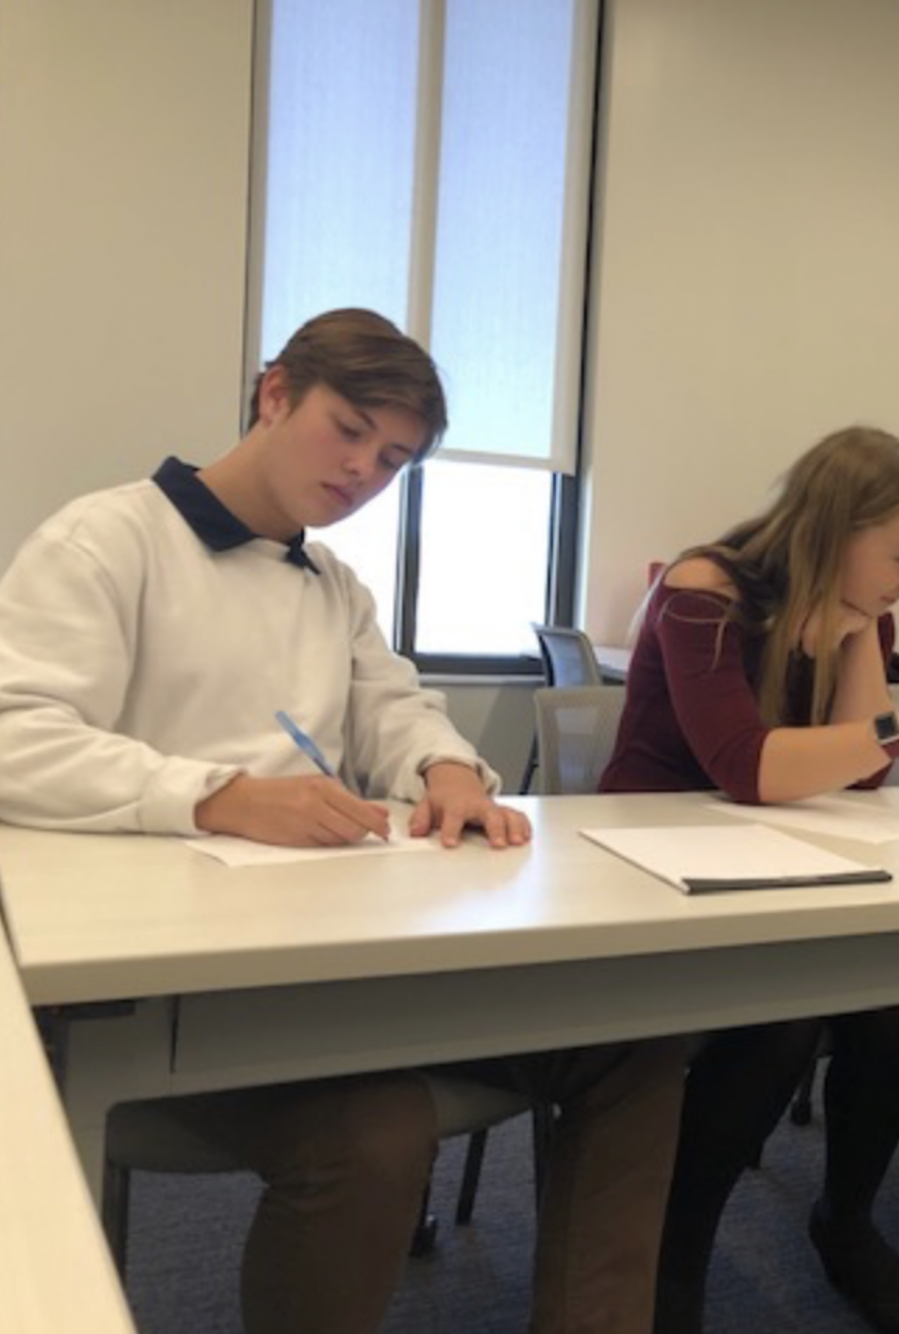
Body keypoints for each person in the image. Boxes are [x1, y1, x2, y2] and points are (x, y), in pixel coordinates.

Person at [0, 308, 687, 1334]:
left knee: (630, 1042)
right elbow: (15, 731)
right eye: (350, 427)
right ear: (274, 392)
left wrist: (447, 764)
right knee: (372, 1129)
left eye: (396, 457)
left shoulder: (333, 584)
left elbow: (393, 704)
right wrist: (215, 793)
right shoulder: (109, 538)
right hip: (169, 989)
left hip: (338, 954)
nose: (366, 469)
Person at [598, 426, 899, 1334]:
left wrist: (865, 624)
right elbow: (746, 765)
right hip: (650, 868)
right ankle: (677, 1255)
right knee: (781, 1021)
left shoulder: (854, 606)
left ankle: (846, 1221)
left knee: (888, 1007)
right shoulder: (701, 591)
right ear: (833, 528)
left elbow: (857, 773)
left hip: (771, 865)